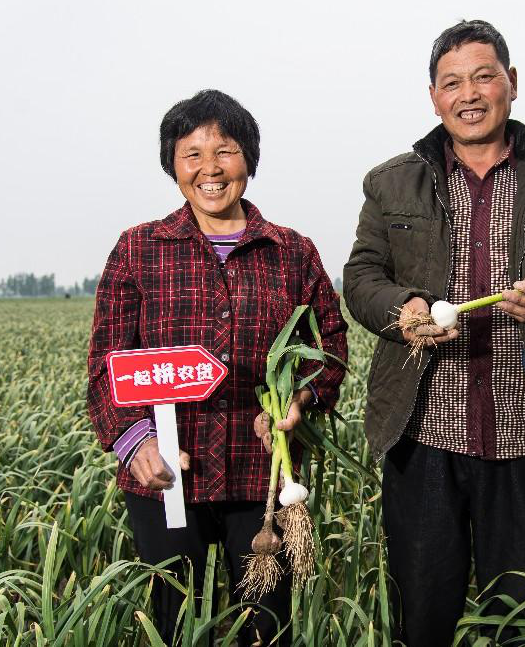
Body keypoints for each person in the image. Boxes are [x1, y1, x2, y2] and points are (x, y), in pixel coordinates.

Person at [343, 20, 525, 645]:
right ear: (434, 97)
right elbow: (361, 276)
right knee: (425, 613)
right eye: (452, 83)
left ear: (512, 85)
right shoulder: (390, 182)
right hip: (423, 433)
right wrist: (402, 308)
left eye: (483, 76)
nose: (469, 94)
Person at [87, 90, 347, 646]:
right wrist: (134, 444)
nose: (210, 168)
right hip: (168, 478)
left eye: (225, 151)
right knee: (180, 622)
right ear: (173, 166)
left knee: (267, 624)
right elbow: (107, 362)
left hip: (264, 474)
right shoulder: (139, 249)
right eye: (193, 153)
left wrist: (302, 399)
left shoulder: (292, 252)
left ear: (248, 160)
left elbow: (330, 341)